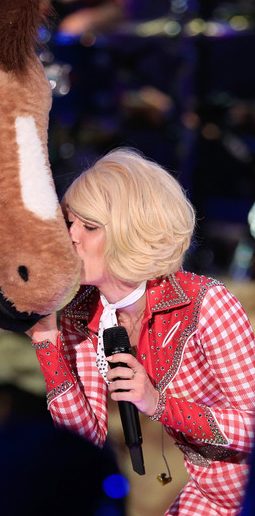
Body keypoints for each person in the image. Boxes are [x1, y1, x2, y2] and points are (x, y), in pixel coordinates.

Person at [27, 147, 255, 515]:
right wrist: (47, 345)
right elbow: (85, 440)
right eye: (69, 223)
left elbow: (250, 429)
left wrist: (157, 403)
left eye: (88, 226)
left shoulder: (206, 303)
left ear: (129, 232)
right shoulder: (82, 313)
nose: (70, 237)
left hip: (242, 493)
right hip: (195, 493)